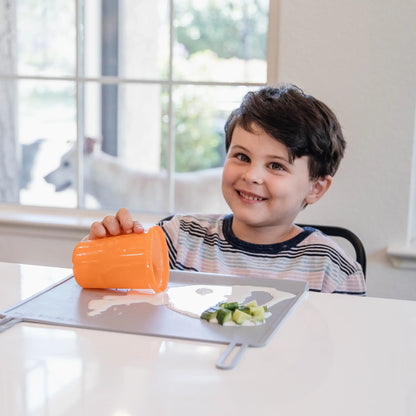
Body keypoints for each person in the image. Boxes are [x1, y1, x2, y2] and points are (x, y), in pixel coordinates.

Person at [85, 84, 366, 295]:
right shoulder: (178, 239)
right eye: (242, 157)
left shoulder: (333, 270)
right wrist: (104, 252)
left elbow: (345, 349)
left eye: (276, 166)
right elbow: (115, 302)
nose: (251, 175)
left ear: (316, 188)